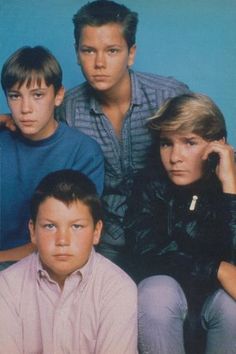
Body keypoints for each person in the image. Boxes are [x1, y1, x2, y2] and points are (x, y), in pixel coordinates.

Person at [125, 93, 236, 354]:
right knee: (155, 293)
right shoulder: (149, 183)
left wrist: (230, 190)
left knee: (231, 305)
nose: (175, 157)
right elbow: (146, 253)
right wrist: (217, 268)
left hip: (216, 308)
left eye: (189, 143)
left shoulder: (232, 180)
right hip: (168, 303)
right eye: (167, 143)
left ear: (217, 145)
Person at [0, 169, 137, 353]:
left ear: (96, 232)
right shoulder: (7, 286)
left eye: (76, 226)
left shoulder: (117, 289)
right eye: (50, 226)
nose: (62, 240)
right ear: (33, 231)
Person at [0, 46, 104, 270]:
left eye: (38, 95)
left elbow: (68, 237)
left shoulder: (83, 152)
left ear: (58, 96)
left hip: (52, 267)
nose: (25, 108)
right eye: (15, 96)